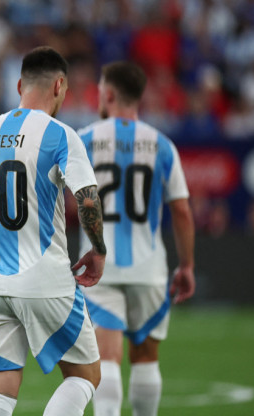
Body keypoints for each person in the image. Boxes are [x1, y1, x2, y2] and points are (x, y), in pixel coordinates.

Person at [0, 46, 107, 416]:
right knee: (85, 376)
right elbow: (88, 199)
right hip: (45, 277)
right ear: (60, 85)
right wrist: (98, 250)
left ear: (18, 85)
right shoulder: (60, 134)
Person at [77, 61, 195, 416]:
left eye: (99, 89)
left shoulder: (84, 139)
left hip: (101, 265)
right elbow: (183, 212)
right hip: (149, 267)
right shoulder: (162, 144)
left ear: (109, 94)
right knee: (146, 358)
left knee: (107, 356)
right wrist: (187, 265)